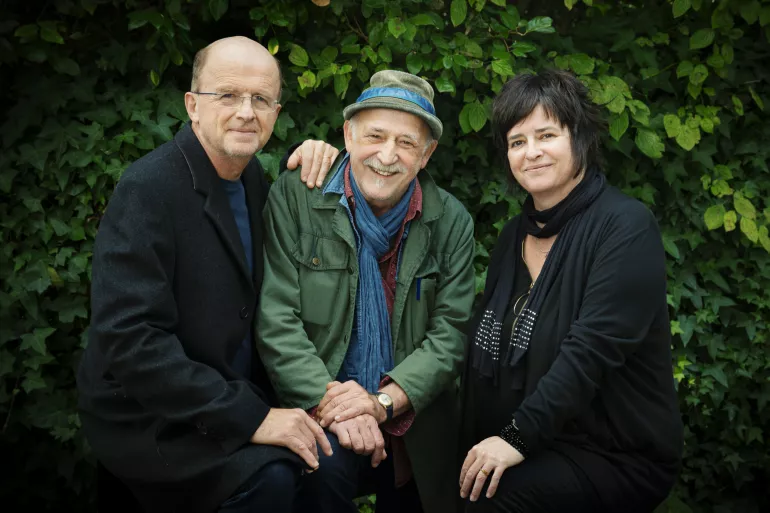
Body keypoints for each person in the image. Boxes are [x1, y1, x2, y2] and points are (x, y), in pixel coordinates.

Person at [76, 36, 341, 513]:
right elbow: (131, 341)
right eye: (228, 95)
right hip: (154, 416)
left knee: (330, 462)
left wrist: (308, 157)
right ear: (192, 105)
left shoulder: (256, 179)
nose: (246, 111)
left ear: (276, 114)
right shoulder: (148, 189)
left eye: (261, 99)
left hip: (231, 393)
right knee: (275, 479)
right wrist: (251, 417)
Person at [458, 69, 683, 512]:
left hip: (612, 452)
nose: (532, 152)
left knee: (496, 500)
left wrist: (514, 438)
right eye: (517, 141)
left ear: (578, 138)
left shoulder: (624, 227)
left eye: (546, 135)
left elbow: (590, 352)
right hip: (536, 437)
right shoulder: (513, 236)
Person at [256, 70, 476, 513]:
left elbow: (450, 336)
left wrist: (380, 404)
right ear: (347, 136)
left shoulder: (451, 222)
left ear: (426, 155)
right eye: (375, 135)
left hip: (411, 419)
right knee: (320, 475)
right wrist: (333, 403)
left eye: (407, 143)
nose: (387, 155)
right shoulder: (296, 199)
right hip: (320, 414)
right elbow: (276, 318)